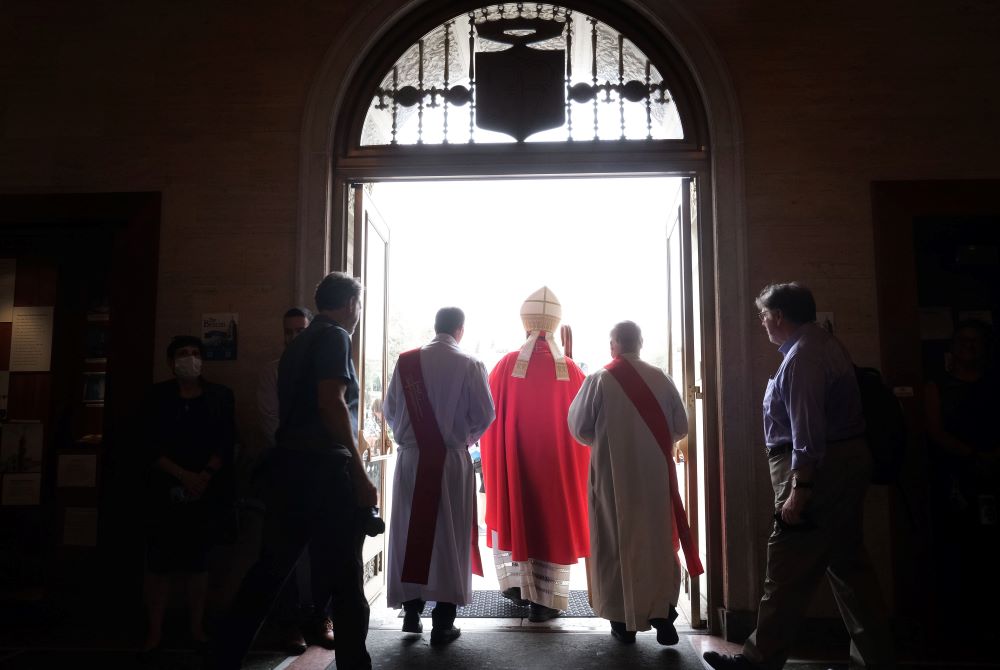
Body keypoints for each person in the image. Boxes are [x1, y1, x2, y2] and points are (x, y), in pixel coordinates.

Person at [704, 283, 894, 670]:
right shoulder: (820, 345)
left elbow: (807, 434)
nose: (762, 322)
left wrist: (799, 491)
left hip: (818, 472)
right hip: (843, 465)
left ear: (779, 316)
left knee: (786, 567)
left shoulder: (803, 358)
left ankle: (759, 660)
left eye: (764, 315)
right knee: (848, 566)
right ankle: (877, 658)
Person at [210, 272, 375, 670]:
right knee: (345, 579)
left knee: (268, 572)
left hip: (290, 473)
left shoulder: (298, 346)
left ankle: (223, 657)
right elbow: (331, 403)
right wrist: (358, 470)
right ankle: (355, 665)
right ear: (351, 304)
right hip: (325, 472)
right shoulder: (336, 336)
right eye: (359, 304)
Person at [568, 320, 700, 645]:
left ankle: (622, 624)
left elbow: (579, 428)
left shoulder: (599, 379)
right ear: (640, 344)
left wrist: (603, 438)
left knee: (614, 543)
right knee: (656, 542)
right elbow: (680, 427)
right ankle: (663, 615)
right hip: (654, 477)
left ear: (613, 346)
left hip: (611, 478)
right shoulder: (662, 378)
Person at [383, 307, 495, 644]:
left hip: (412, 460)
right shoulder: (470, 363)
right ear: (460, 330)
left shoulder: (406, 362)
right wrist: (463, 439)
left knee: (409, 534)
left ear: (435, 328)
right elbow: (485, 414)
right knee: (450, 537)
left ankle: (412, 613)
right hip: (448, 461)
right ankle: (443, 622)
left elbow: (389, 412)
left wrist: (414, 438)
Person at [479, 286, 590, 622]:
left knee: (519, 516)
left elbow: (486, 418)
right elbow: (586, 426)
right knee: (550, 524)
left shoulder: (506, 365)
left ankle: (516, 587)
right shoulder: (571, 369)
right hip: (556, 469)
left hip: (517, 464)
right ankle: (545, 601)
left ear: (526, 326)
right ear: (554, 327)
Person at [141, 336, 235, 655]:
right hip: (163, 489)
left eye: (196, 354)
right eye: (183, 354)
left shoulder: (220, 396)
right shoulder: (156, 397)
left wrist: (204, 477)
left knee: (199, 563)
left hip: (206, 491)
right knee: (159, 564)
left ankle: (196, 628)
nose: (190, 359)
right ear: (171, 362)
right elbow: (149, 444)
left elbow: (227, 441)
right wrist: (182, 476)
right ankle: (155, 631)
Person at [923, 319, 999, 642]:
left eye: (975, 341)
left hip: (993, 474)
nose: (969, 346)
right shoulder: (937, 386)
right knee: (955, 546)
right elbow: (935, 430)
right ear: (952, 348)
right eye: (963, 340)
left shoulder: (994, 385)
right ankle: (955, 622)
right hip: (953, 476)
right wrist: (971, 456)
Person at [254, 306, 320, 654]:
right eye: (288, 331)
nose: (294, 337)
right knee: (285, 552)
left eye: (300, 331)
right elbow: (270, 422)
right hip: (286, 472)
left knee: (320, 549)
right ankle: (290, 623)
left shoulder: (322, 370)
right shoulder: (272, 373)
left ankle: (319, 618)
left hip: (320, 474)